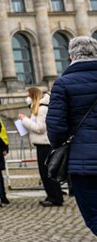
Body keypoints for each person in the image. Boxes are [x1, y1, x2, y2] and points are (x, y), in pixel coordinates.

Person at [47, 36, 97, 235]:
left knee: (93, 215)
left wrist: (62, 145)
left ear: (70, 56)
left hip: (83, 164)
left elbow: (56, 127)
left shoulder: (63, 84)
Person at [18, 87, 63, 207]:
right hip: (41, 144)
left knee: (47, 172)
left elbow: (40, 128)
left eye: (28, 95)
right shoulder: (37, 108)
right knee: (45, 173)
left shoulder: (42, 109)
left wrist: (25, 120)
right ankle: (52, 195)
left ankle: (55, 197)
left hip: (45, 144)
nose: (26, 98)